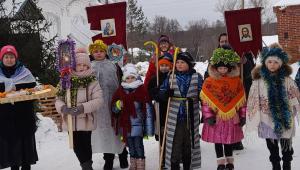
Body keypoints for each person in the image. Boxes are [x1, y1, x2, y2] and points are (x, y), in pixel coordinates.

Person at [246, 43, 300, 170]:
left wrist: (292, 106)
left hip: (285, 117)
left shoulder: (287, 80)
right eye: (269, 61)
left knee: (286, 144)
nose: (272, 65)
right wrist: (254, 112)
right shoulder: (259, 81)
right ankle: (275, 164)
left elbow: (295, 96)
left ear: (281, 63)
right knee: (272, 146)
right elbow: (253, 98)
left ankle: (287, 163)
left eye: (276, 62)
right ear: (265, 62)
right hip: (266, 118)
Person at [55, 48, 102, 170]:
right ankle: (86, 165)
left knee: (86, 145)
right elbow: (58, 98)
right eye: (78, 65)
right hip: (71, 120)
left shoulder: (93, 81)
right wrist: (63, 108)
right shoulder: (65, 80)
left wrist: (82, 108)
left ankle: (87, 166)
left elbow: (98, 100)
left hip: (86, 119)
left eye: (84, 65)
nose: (81, 68)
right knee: (76, 146)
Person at [201, 47, 246, 170]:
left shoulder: (236, 81)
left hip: (231, 117)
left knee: (229, 140)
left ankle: (230, 162)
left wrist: (243, 115)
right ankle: (220, 163)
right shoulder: (209, 82)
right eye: (220, 68)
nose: (222, 70)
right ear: (215, 68)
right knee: (218, 141)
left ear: (230, 68)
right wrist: (208, 116)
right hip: (216, 117)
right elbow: (205, 102)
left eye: (225, 68)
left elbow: (242, 101)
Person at [158, 52, 202, 170]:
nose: (179, 64)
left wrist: (202, 98)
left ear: (189, 64)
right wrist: (165, 93)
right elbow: (161, 91)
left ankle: (188, 165)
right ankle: (174, 166)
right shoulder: (171, 76)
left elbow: (203, 93)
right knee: (175, 143)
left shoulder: (196, 77)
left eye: (182, 62)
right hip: (174, 116)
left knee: (189, 143)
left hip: (191, 115)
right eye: (177, 62)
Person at [88, 40, 128, 170]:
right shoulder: (89, 67)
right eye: (96, 51)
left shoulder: (113, 65)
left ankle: (123, 155)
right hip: (99, 107)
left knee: (117, 130)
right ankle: (108, 159)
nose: (98, 54)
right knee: (105, 134)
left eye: (101, 51)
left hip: (114, 103)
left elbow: (122, 82)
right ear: (92, 53)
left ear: (106, 52)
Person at [0, 45, 38, 170]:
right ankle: (14, 167)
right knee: (11, 145)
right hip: (6, 117)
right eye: (6, 57)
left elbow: (32, 85)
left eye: (12, 57)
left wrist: (16, 87)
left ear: (15, 58)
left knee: (25, 144)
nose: (9, 59)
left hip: (24, 115)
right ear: (2, 58)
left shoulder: (24, 72)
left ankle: (26, 166)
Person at [111, 64, 154, 170]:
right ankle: (133, 164)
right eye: (128, 78)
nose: (130, 80)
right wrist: (117, 105)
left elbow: (148, 110)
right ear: (124, 79)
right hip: (125, 125)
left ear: (136, 77)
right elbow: (113, 109)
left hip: (138, 124)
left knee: (138, 146)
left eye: (132, 77)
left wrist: (149, 129)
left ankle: (140, 165)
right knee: (130, 146)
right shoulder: (120, 91)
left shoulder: (141, 90)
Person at [147, 52, 173, 168]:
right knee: (162, 134)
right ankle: (163, 158)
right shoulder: (154, 79)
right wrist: (155, 92)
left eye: (166, 65)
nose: (164, 68)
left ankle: (173, 157)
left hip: (171, 108)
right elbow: (149, 92)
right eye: (162, 65)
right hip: (160, 110)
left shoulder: (173, 78)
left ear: (170, 66)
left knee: (172, 134)